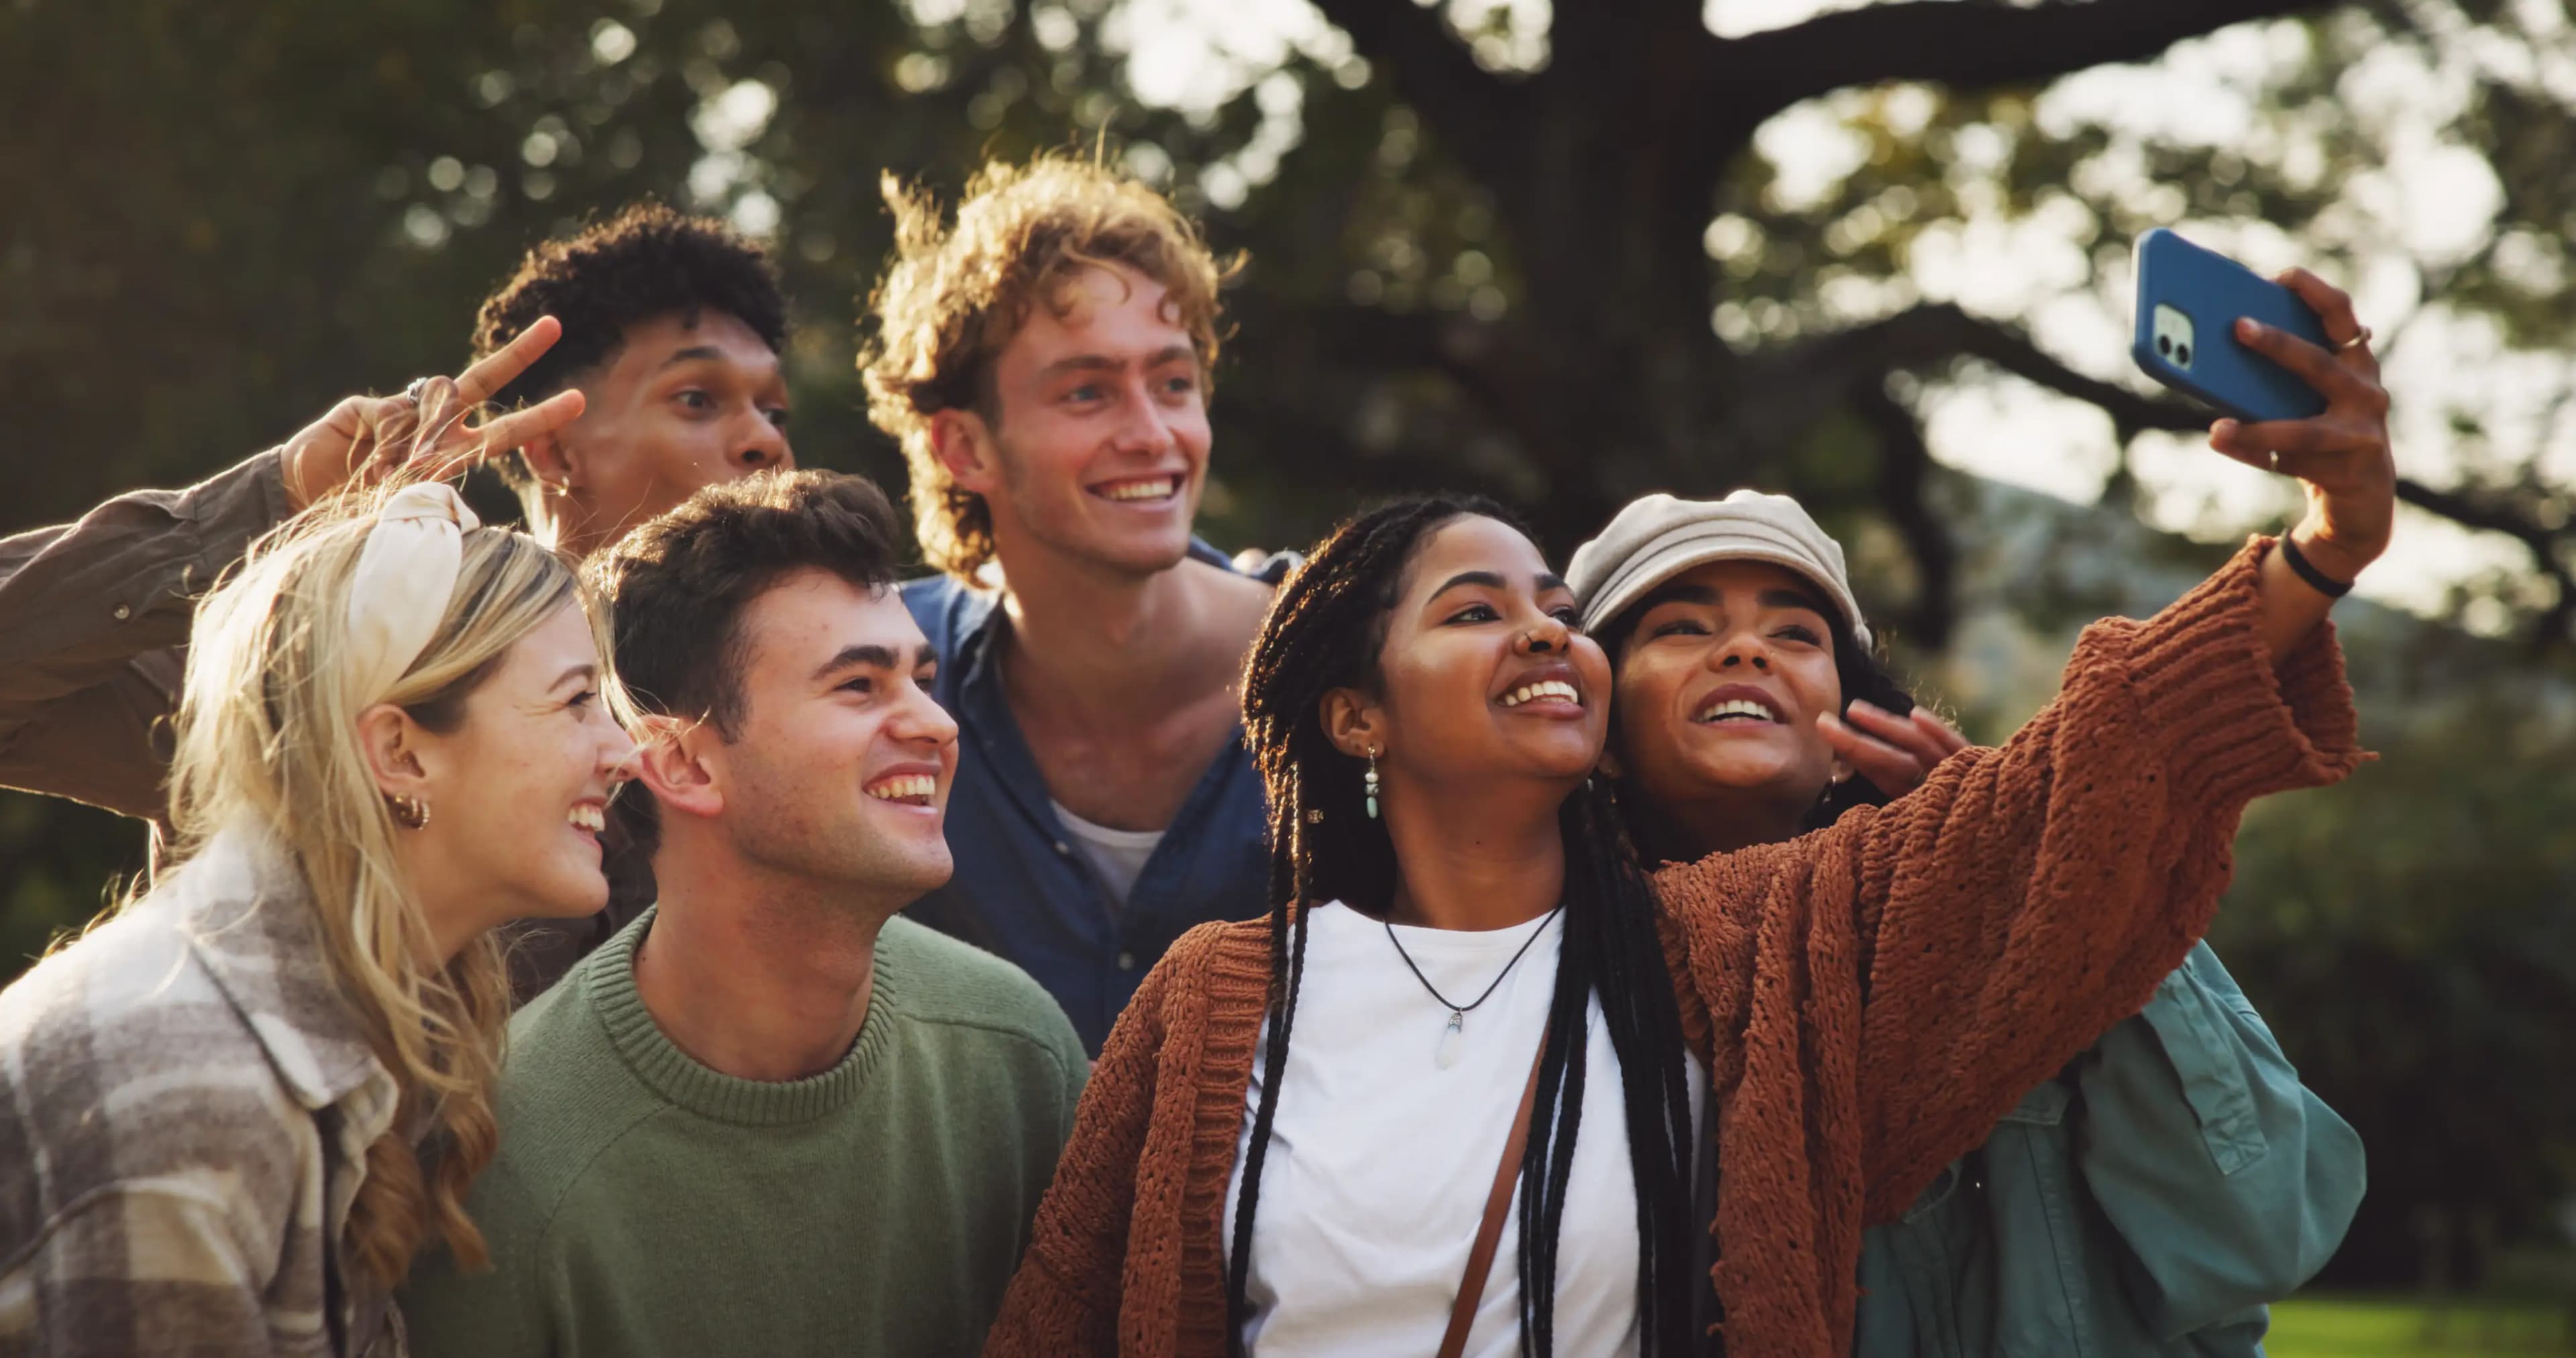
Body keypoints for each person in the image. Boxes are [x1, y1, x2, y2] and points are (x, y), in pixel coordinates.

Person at [981, 270, 2390, 1355]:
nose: (1543, 635)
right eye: (1479, 611)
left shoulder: (1743, 953)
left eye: (1555, 610)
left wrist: (2323, 549)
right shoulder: (1214, 1000)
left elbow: (2092, 766)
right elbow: (1062, 1318)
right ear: (1357, 711)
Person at [1569, 488, 2367, 1355]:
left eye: (1797, 634)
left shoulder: (2020, 906)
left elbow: (2263, 1226)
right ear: (1600, 735)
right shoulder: (1558, 975)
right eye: (1682, 627)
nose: (1746, 648)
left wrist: (2050, 874)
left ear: (1844, 726)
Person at [2, 201, 794, 988]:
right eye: (698, 398)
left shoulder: (820, 710)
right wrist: (278, 499)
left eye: (773, 408)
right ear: (554, 450)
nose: (766, 439)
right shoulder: (341, 661)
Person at [399, 470, 1089, 1358]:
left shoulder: (1019, 1054)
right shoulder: (506, 1163)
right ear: (683, 766)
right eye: (858, 686)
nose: (935, 725)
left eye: (921, 677)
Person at [0, 472, 635, 1355]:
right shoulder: (188, 1091)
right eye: (576, 701)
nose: (627, 752)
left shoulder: (368, 1033)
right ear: (399, 752)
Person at [863, 156, 1280, 1053]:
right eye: (1088, 391)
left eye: (1174, 383)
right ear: (964, 447)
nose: (1153, 433)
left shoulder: (1350, 659)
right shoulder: (876, 678)